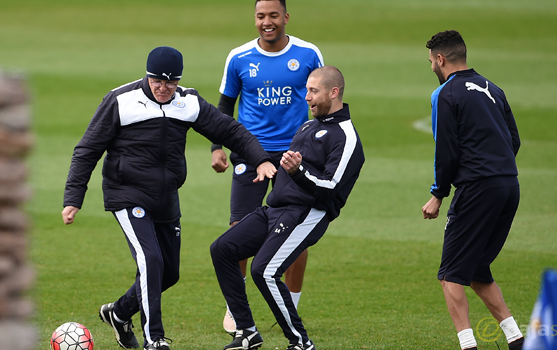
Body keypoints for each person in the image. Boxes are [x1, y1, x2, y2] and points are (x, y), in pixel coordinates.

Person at [61, 46, 277, 350]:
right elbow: (87, 150)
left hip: (166, 198)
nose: (163, 89)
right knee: (150, 260)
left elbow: (231, 131)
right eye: (157, 82)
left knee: (169, 273)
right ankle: (155, 339)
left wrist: (262, 159)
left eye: (170, 83)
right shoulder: (120, 100)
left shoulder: (187, 101)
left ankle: (120, 314)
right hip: (126, 193)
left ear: (179, 80)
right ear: (147, 76)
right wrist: (74, 197)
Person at [210, 66, 364, 350]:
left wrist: (297, 171)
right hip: (275, 210)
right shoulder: (308, 126)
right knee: (222, 249)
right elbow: (291, 170)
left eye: (313, 91)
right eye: (307, 90)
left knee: (264, 271)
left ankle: (301, 342)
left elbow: (332, 188)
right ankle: (246, 331)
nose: (306, 97)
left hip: (307, 214)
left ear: (334, 92)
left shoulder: (346, 137)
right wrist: (272, 172)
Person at [211, 0, 325, 333]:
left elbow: (321, 98)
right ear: (255, 19)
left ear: (286, 17)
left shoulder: (307, 54)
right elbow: (224, 106)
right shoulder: (239, 57)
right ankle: (236, 306)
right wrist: (218, 147)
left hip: (295, 156)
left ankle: (291, 304)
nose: (267, 22)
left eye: (273, 15)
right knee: (238, 229)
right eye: (261, 16)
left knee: (297, 232)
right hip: (249, 152)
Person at [421, 30, 524, 350]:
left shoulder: (446, 94)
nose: (431, 68)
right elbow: (514, 140)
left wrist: (438, 194)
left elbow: (446, 152)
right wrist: (495, 170)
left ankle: (468, 346)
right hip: (509, 185)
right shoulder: (493, 88)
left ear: (440, 59)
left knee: (450, 274)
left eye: (431, 62)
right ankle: (517, 340)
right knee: (477, 268)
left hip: (477, 190)